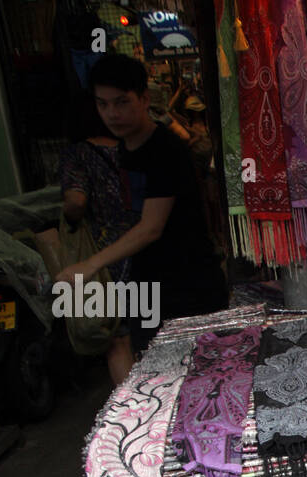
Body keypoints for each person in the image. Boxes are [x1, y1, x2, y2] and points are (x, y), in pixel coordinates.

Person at [56, 53, 227, 380]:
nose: (112, 114)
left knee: (202, 381)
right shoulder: (125, 150)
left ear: (144, 98)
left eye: (121, 102)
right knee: (155, 381)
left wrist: (90, 265)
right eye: (103, 104)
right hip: (147, 287)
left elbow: (150, 227)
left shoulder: (164, 150)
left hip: (188, 287)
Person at [59, 104, 141, 384]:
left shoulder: (77, 154)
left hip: (103, 256)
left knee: (117, 340)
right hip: (139, 246)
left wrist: (68, 220)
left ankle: (134, 415)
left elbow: (76, 202)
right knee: (146, 331)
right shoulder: (131, 148)